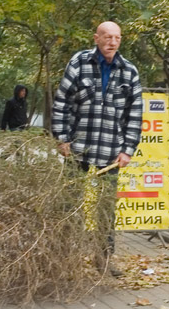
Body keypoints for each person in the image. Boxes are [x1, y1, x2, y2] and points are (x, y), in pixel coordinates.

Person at [52, 21, 143, 276]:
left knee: (105, 208)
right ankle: (64, 258)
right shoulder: (79, 63)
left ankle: (103, 259)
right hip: (77, 149)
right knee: (69, 205)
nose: (112, 42)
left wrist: (127, 150)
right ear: (96, 38)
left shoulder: (129, 72)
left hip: (111, 152)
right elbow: (62, 102)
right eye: (107, 37)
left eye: (117, 38)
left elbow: (134, 115)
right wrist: (62, 139)